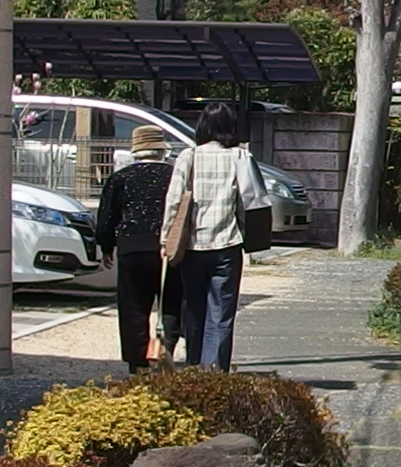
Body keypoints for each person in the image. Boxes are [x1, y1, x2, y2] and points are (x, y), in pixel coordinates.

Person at [160, 100, 272, 372]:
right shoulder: (240, 157)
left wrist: (166, 238)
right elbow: (255, 201)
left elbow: (174, 201)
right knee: (221, 314)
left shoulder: (189, 157)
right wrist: (254, 238)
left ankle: (194, 368)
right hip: (228, 244)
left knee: (194, 310)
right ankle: (216, 372)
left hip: (193, 245)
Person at [92, 123, 178, 371]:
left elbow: (107, 215)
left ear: (135, 150)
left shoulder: (121, 177)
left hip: (131, 246)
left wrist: (106, 246)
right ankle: (165, 351)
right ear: (162, 150)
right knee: (170, 301)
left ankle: (137, 361)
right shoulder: (173, 175)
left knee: (133, 306)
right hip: (166, 247)